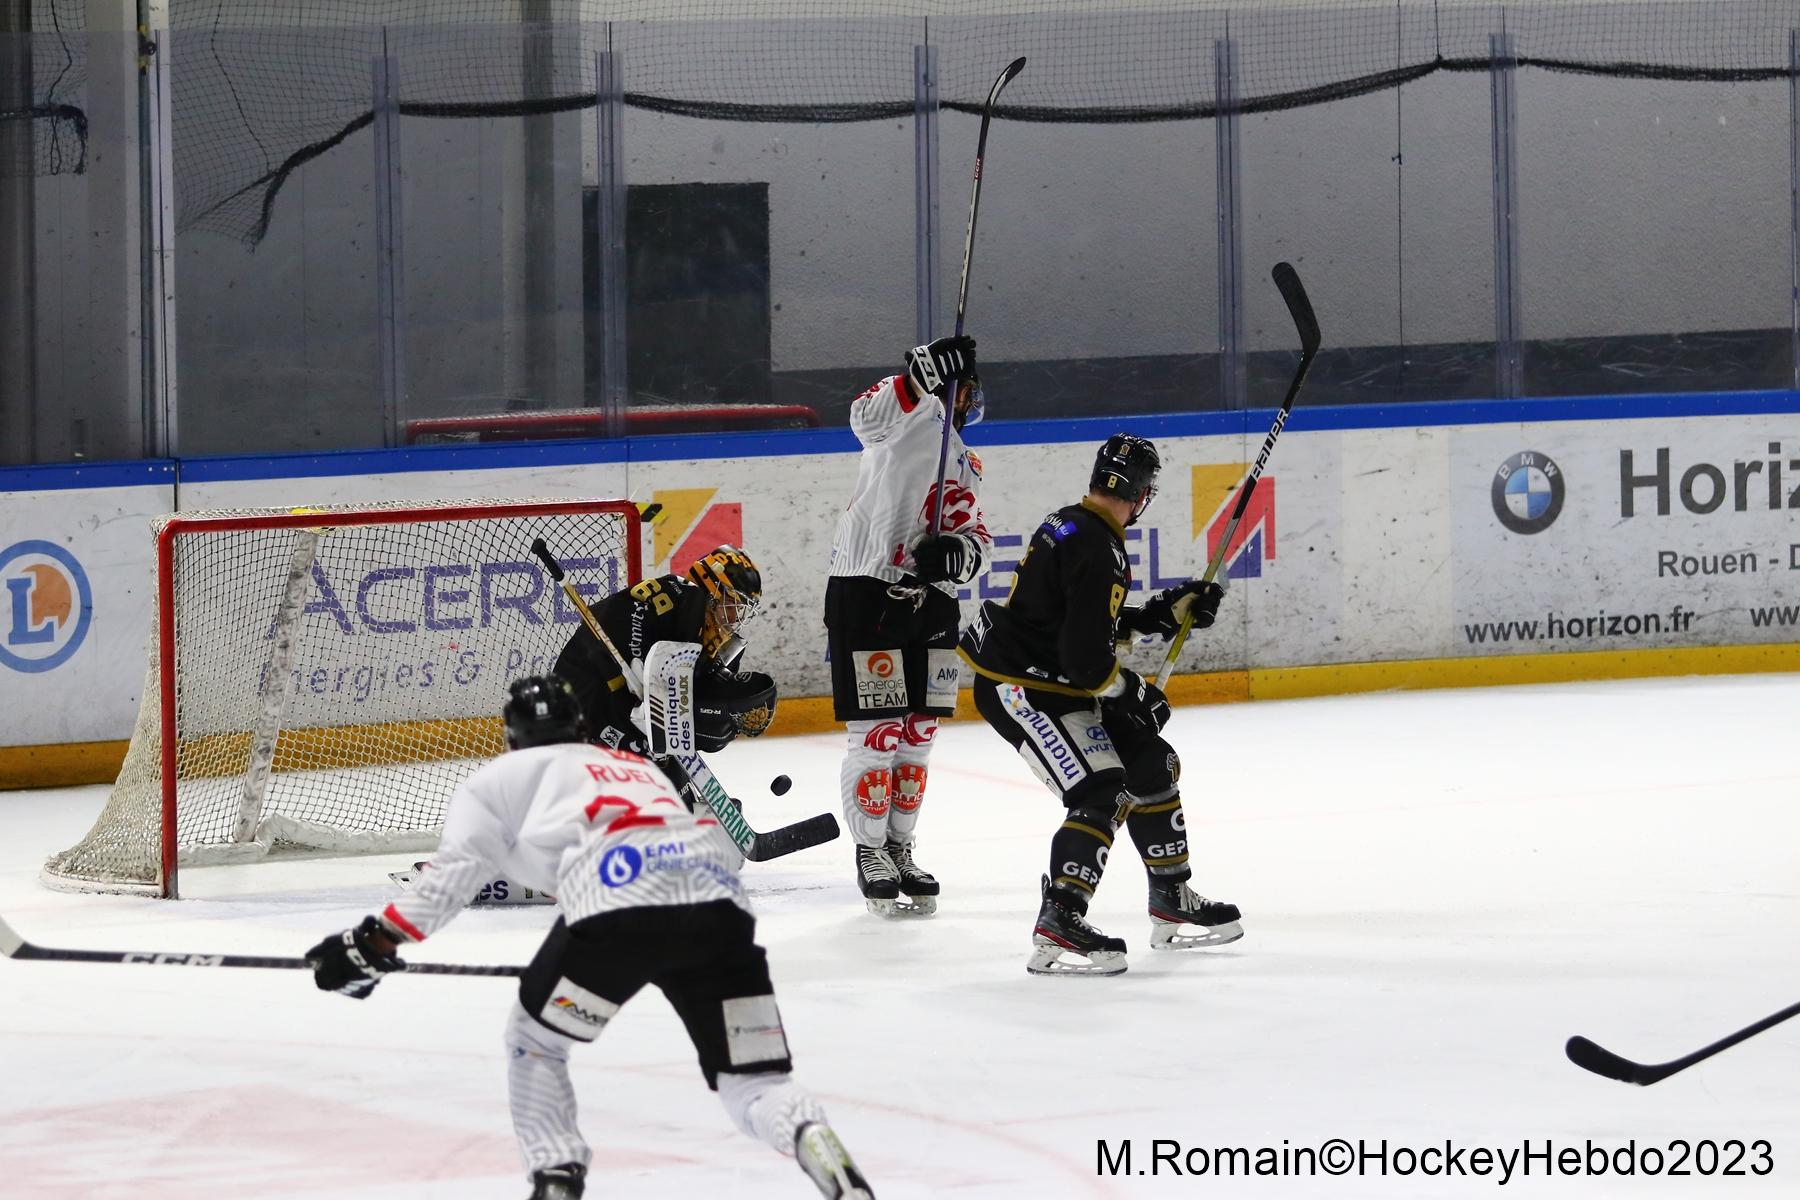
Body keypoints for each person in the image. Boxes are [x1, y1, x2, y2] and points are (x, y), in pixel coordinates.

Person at [305, 676, 875, 1200]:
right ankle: (816, 1142)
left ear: (512, 737)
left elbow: (450, 879)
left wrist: (370, 945)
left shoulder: (498, 779)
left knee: (536, 1042)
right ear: (580, 727)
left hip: (616, 912)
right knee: (755, 1082)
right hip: (719, 909)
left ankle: (556, 1176)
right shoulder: (634, 767)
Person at [957, 434, 1242, 976]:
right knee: (1100, 789)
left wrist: (1161, 613)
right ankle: (1060, 917)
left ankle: (1171, 897)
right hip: (1022, 689)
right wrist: (1134, 693)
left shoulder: (1072, 523)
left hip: (1051, 677)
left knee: (1152, 763)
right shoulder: (1098, 546)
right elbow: (1087, 661)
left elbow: (1075, 623)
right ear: (1142, 493)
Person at [824, 335, 993, 916]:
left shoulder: (968, 462)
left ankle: (900, 846)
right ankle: (870, 851)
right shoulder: (909, 413)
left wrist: (957, 556)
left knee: (918, 736)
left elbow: (977, 537)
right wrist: (920, 376)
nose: (966, 399)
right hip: (868, 591)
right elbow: (863, 418)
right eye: (962, 388)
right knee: (878, 734)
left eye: (968, 391)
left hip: (934, 605)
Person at [554, 543, 776, 759]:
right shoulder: (675, 598)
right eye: (732, 604)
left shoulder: (715, 637)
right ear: (711, 587)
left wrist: (725, 709)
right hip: (586, 693)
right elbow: (609, 619)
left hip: (620, 705)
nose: (735, 617)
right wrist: (638, 658)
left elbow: (694, 699)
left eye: (741, 610)